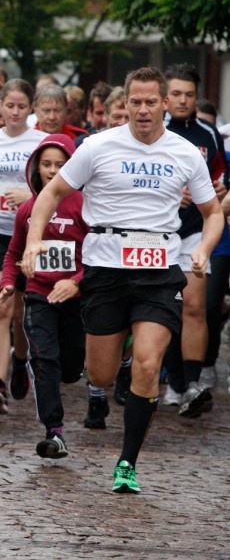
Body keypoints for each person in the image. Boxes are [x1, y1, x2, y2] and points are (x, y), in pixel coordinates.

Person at [20, 66, 223, 494]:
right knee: (100, 374)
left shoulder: (186, 152)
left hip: (158, 270)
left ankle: (127, 462)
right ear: (125, 103)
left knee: (148, 365)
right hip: (106, 270)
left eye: (151, 102)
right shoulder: (97, 146)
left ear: (164, 103)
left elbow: (212, 213)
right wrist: (33, 240)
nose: (143, 110)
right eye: (136, 102)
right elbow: (51, 193)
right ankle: (125, 344)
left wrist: (203, 249)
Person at [0, 134, 87, 458]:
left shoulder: (86, 206)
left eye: (60, 165)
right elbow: (13, 253)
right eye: (47, 164)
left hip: (76, 299)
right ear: (36, 167)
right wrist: (8, 283)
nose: (52, 171)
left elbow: (97, 258)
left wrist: (75, 282)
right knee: (44, 358)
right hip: (39, 295)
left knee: (71, 368)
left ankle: (69, 370)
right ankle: (54, 431)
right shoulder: (28, 209)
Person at [159, 63, 226, 415]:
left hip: (195, 230)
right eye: (176, 94)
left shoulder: (208, 133)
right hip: (157, 231)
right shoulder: (154, 129)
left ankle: (192, 383)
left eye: (189, 95)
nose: (183, 101)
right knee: (167, 307)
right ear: (165, 97)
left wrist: (216, 188)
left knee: (195, 306)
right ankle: (172, 380)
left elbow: (219, 173)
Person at [0, 79, 46, 414]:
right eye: (10, 106)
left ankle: (21, 359)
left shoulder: (42, 142)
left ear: (31, 108)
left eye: (22, 106)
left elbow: (57, 186)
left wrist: (30, 196)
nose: (15, 112)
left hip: (31, 233)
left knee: (22, 312)